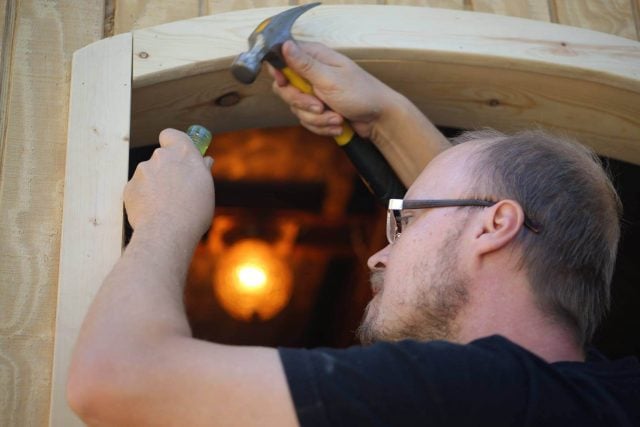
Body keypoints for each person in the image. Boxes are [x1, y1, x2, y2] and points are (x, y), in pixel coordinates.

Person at [67, 41, 640, 426]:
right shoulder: (605, 393)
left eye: (403, 223)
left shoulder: (462, 387)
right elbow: (470, 210)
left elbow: (115, 379)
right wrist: (381, 117)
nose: (376, 256)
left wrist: (166, 218)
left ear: (496, 228)